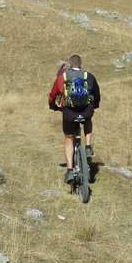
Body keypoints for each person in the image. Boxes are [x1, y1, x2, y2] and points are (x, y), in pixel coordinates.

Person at [47, 54, 100, 183]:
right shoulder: (89, 76)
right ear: (81, 64)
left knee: (69, 138)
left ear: (70, 65)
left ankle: (70, 171)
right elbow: (96, 93)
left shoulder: (62, 78)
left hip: (69, 112)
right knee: (88, 121)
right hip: (86, 111)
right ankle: (87, 146)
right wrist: (95, 105)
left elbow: (53, 94)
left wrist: (53, 106)